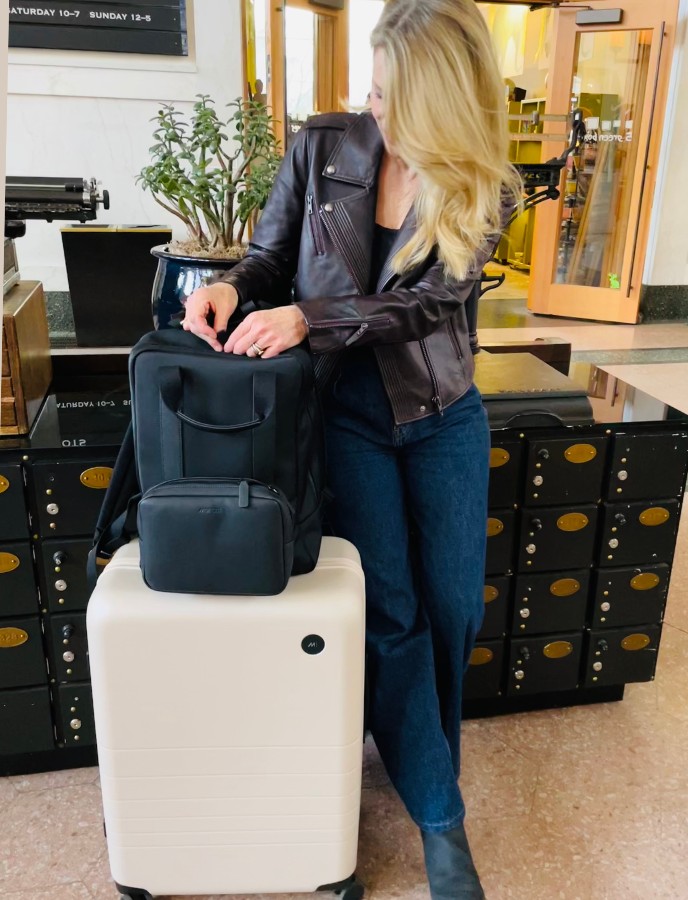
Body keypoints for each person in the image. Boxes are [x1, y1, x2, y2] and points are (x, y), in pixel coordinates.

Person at [182, 1, 520, 896]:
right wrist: (226, 286)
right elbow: (266, 258)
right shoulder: (320, 148)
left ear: (444, 101)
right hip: (346, 418)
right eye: (371, 87)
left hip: (443, 414)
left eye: (390, 93)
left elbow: (423, 305)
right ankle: (442, 823)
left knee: (453, 610)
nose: (371, 107)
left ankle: (415, 757)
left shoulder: (487, 185)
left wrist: (310, 316)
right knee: (396, 611)